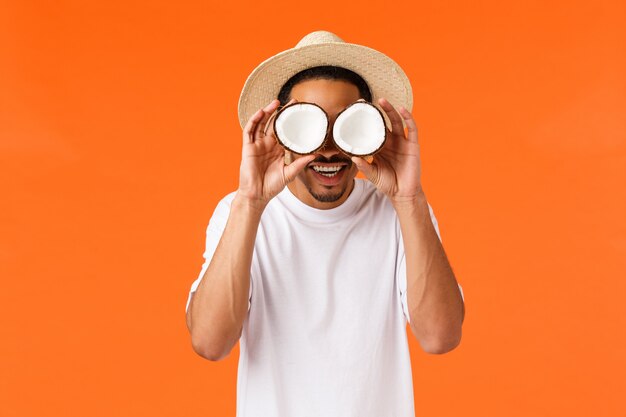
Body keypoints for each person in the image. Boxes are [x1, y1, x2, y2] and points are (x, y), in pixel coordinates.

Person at [185, 31, 465, 417]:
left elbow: (440, 337)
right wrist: (250, 202)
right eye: (307, 126)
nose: (328, 148)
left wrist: (409, 200)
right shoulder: (240, 213)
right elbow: (209, 343)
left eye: (345, 124)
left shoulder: (399, 213)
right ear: (279, 134)